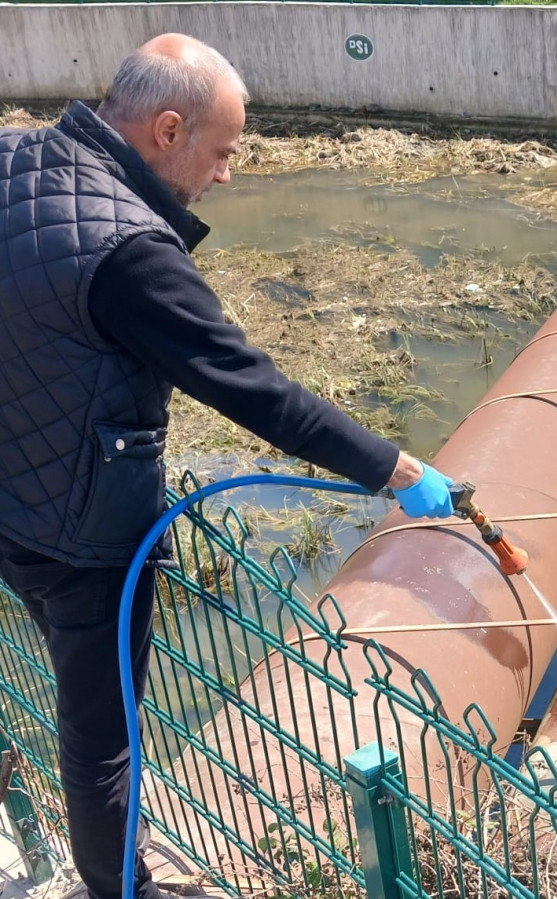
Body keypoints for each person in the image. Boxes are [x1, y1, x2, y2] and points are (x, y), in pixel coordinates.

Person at [0, 34, 456, 899]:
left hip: (13, 498)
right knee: (102, 737)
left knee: (63, 690)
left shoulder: (15, 155)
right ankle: (118, 889)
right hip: (84, 536)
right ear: (168, 130)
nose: (228, 175)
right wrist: (394, 470)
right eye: (223, 152)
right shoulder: (129, 249)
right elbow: (254, 390)